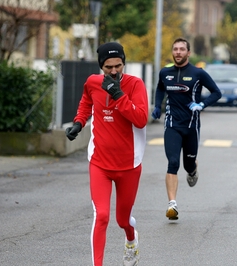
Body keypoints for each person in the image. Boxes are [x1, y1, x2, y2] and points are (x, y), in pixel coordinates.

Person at [65, 42, 148, 266]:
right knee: (101, 216)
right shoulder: (92, 82)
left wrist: (119, 95)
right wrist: (78, 123)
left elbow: (141, 119)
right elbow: (86, 103)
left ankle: (131, 238)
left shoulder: (135, 85)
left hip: (129, 165)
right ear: (101, 66)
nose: (113, 71)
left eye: (118, 66)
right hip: (100, 163)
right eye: (108, 67)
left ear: (124, 63)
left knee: (122, 220)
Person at [151, 37, 222, 220]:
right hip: (172, 125)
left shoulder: (198, 73)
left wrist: (202, 104)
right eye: (175, 49)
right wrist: (158, 106)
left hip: (191, 127)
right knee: (173, 163)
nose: (178, 52)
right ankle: (172, 205)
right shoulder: (165, 72)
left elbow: (216, 93)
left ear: (188, 53)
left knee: (187, 164)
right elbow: (160, 89)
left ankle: (193, 169)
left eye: (182, 49)